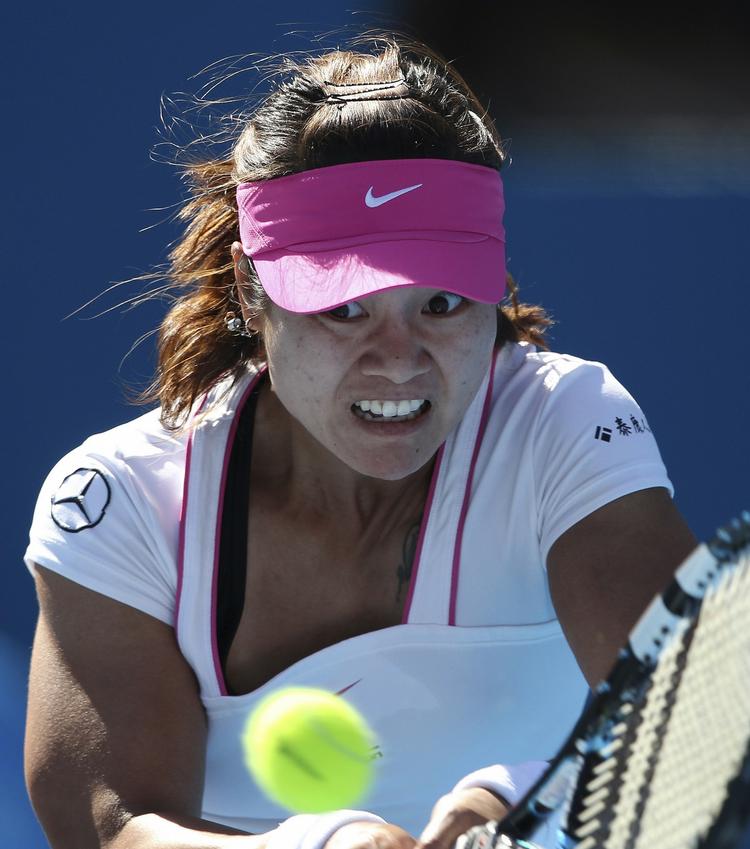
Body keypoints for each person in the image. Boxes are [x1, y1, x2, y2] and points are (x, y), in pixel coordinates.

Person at [24, 34, 697, 849]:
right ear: (250, 288)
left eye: (442, 303)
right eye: (345, 310)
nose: (400, 359)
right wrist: (322, 844)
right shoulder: (121, 496)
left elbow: (690, 720)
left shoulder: (560, 422)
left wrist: (511, 798)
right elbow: (110, 823)